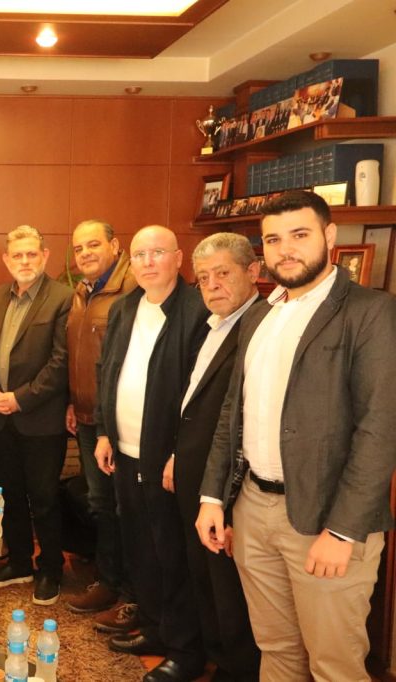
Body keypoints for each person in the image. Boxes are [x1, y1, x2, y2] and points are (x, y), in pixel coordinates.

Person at [197, 191, 396, 682]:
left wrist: (344, 530)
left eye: (299, 235)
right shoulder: (260, 316)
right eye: (273, 239)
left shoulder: (371, 312)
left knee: (334, 665)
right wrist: (212, 497)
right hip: (253, 510)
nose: (285, 249)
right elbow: (232, 414)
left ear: (329, 235)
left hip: (325, 520)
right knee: (277, 649)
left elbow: (380, 428)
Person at [93, 225, 208, 681]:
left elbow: (202, 394)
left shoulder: (197, 310)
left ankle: (186, 649)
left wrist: (181, 452)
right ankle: (156, 628)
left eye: (157, 252)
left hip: (168, 458)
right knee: (140, 546)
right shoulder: (125, 307)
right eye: (139, 254)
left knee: (173, 552)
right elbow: (107, 372)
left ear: (178, 258)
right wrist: (105, 431)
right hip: (124, 451)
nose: (147, 262)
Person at [167, 234, 261, 681]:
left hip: (226, 485)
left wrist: (223, 495)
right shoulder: (214, 325)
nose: (212, 285)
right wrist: (176, 456)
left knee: (230, 589)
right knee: (203, 578)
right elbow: (194, 403)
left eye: (223, 273)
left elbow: (242, 421)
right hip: (196, 475)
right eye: (204, 278)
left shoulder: (259, 328)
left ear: (253, 272)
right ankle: (217, 659)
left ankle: (237, 669)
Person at [0, 226, 73, 605]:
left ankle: (50, 569)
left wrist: (20, 399)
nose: (25, 261)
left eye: (32, 254)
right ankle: (19, 563)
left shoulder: (62, 298)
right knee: (9, 494)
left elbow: (60, 362)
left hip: (39, 418)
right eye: (17, 255)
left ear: (45, 256)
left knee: (44, 498)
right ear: (6, 259)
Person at [64, 220, 139, 630]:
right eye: (78, 248)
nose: (85, 253)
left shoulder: (132, 289)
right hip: (87, 417)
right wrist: (74, 403)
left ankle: (128, 592)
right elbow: (82, 355)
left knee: (124, 507)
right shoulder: (83, 291)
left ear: (115, 245)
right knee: (102, 504)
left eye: (93, 245)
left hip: (117, 422)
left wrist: (107, 424)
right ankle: (110, 582)